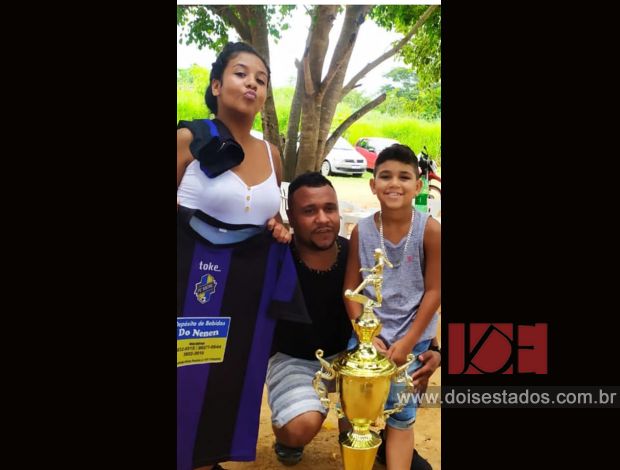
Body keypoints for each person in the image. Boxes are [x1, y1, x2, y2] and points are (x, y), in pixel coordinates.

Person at [177, 42, 299, 470]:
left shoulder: (271, 154)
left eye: (260, 80)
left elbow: (271, 217)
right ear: (216, 85)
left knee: (229, 380)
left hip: (246, 296)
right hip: (193, 290)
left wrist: (281, 228)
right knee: (186, 379)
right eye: (241, 73)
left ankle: (207, 460)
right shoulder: (189, 140)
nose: (252, 84)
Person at [266, 172, 440, 468]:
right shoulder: (276, 258)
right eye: (309, 211)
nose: (323, 219)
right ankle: (288, 439)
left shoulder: (359, 253)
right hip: (297, 360)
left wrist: (434, 350)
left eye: (329, 208)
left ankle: (382, 437)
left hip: (355, 356)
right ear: (290, 217)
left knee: (391, 389)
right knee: (301, 425)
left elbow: (402, 301)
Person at [344, 144, 441, 470]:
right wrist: (365, 337)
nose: (394, 183)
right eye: (385, 176)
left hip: (412, 343)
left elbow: (434, 291)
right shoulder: (362, 231)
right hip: (368, 340)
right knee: (355, 411)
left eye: (404, 176)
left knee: (401, 415)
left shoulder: (430, 230)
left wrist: (410, 342)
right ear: (373, 185)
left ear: (418, 185)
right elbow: (351, 291)